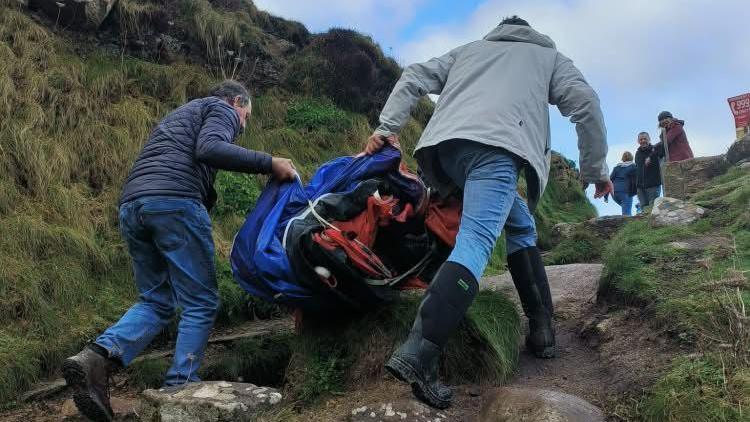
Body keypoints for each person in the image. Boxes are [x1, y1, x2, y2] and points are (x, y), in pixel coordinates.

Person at [364, 16, 611, 408]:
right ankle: (420, 354)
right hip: (497, 149)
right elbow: (586, 103)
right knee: (476, 243)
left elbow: (413, 75)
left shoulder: (471, 50)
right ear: (532, 32)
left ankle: (542, 327)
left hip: (446, 152)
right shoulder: (547, 56)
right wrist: (596, 170)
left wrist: (386, 127)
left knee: (520, 224)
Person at [62, 80, 296, 422]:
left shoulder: (177, 117)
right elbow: (211, 148)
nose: (244, 124)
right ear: (237, 101)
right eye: (247, 115)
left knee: (156, 301)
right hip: (174, 204)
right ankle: (180, 386)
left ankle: (96, 357)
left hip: (133, 206)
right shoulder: (221, 109)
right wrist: (269, 162)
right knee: (200, 301)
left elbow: (188, 159)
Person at [634, 132, 661, 209]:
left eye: (645, 139)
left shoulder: (655, 150)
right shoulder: (637, 153)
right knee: (643, 209)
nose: (643, 141)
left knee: (653, 208)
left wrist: (651, 156)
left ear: (649, 139)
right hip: (640, 187)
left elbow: (662, 143)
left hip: (653, 185)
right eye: (641, 139)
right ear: (638, 141)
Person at [609, 151, 637, 215]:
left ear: (623, 158)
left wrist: (606, 196)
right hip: (625, 192)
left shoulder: (617, 167)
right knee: (627, 213)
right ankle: (628, 224)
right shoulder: (633, 167)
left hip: (614, 193)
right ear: (632, 158)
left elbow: (610, 180)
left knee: (626, 208)